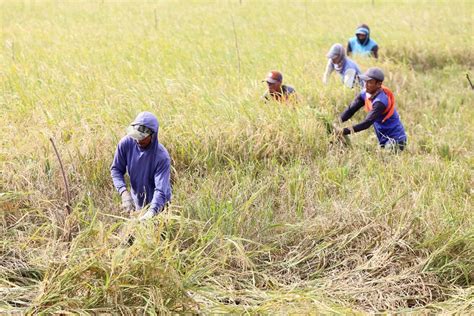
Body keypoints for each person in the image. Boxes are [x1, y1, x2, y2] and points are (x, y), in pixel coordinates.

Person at [111, 111, 172, 221]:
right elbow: (116, 170)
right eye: (136, 135)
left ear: (153, 135)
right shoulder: (126, 144)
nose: (138, 140)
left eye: (142, 137)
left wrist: (151, 213)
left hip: (160, 207)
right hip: (138, 204)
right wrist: (124, 193)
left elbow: (160, 190)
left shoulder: (162, 157)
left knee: (158, 235)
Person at [336, 67, 407, 150]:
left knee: (386, 159)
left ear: (378, 84)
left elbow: (367, 123)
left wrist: (343, 131)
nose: (366, 85)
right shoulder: (365, 93)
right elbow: (351, 109)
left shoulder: (380, 102)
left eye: (370, 82)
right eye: (365, 81)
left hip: (396, 140)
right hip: (383, 139)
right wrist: (337, 121)